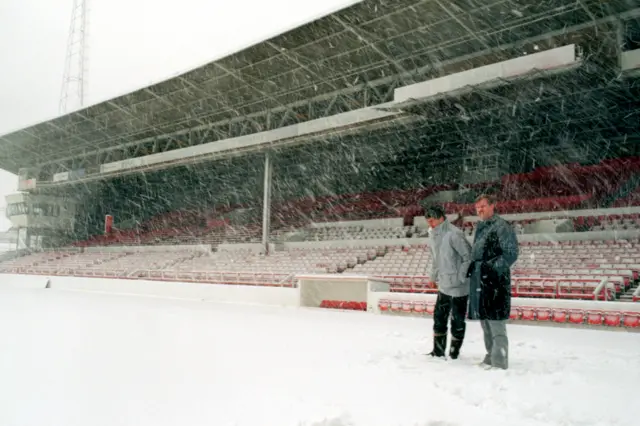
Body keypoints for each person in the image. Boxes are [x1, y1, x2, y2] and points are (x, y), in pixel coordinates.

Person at [467, 194, 519, 370]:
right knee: (486, 323)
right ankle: (490, 357)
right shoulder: (481, 227)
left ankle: (499, 362)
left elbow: (510, 254)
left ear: (492, 206)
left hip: (496, 283)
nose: (480, 210)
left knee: (496, 324)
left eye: (483, 206)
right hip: (482, 282)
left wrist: (490, 269)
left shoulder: (502, 227)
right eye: (477, 207)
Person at [425, 205, 472, 359]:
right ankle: (438, 351)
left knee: (457, 321)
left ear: (441, 218)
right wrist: (433, 277)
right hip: (444, 286)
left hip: (459, 288)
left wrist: (460, 278)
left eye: (432, 221)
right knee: (439, 318)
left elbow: (468, 257)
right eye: (428, 222)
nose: (430, 225)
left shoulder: (454, 234)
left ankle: (454, 353)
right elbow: (435, 259)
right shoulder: (433, 235)